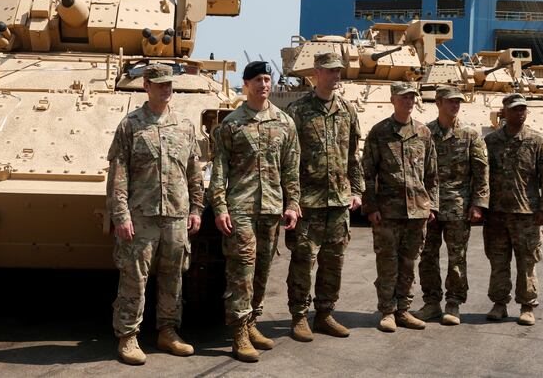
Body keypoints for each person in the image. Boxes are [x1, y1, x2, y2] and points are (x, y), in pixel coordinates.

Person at [106, 63, 204, 365]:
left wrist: (197, 208)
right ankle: (128, 335)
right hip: (142, 216)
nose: (166, 89)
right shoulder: (131, 125)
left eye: (169, 84)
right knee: (134, 278)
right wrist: (120, 215)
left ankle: (168, 330)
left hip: (176, 215)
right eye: (159, 84)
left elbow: (194, 172)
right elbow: (118, 175)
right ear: (146, 86)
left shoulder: (184, 126)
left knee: (173, 277)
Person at [208, 60, 301, 363]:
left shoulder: (284, 123)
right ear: (245, 85)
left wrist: (292, 203)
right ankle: (238, 333)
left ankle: (252, 323)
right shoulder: (231, 125)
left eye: (266, 79)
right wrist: (220, 207)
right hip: (242, 208)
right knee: (242, 272)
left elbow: (290, 169)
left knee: (262, 270)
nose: (263, 84)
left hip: (272, 207)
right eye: (257, 80)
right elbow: (219, 170)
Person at [284, 51, 363, 342]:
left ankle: (326, 313)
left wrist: (357, 190)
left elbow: (353, 155)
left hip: (338, 202)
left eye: (338, 71)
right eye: (330, 71)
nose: (336, 76)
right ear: (316, 73)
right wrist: (291, 199)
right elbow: (289, 160)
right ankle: (299, 316)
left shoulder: (347, 110)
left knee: (334, 261)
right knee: (304, 260)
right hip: (308, 202)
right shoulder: (298, 111)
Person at [361, 81, 439, 332]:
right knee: (387, 262)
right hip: (388, 212)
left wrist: (432, 206)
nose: (408, 101)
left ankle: (403, 309)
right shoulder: (379, 132)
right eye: (403, 97)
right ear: (393, 99)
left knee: (408, 263)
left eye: (412, 97)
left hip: (417, 211)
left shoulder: (423, 133)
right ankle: (387, 311)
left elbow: (432, 174)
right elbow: (368, 172)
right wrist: (371, 207)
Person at [414, 86, 489, 325]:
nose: (455, 105)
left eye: (458, 102)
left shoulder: (470, 134)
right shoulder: (425, 133)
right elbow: (418, 171)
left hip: (459, 206)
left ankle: (454, 303)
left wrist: (479, 203)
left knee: (457, 257)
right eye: (450, 101)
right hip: (430, 208)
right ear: (438, 103)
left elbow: (481, 171)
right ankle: (431, 303)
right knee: (427, 256)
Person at [483, 93, 543, 326]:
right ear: (504, 112)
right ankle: (499, 303)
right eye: (515, 109)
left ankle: (527, 306)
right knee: (498, 261)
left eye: (523, 109)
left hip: (527, 213)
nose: (520, 113)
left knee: (527, 261)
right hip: (496, 213)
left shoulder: (537, 141)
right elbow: (481, 176)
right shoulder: (491, 141)